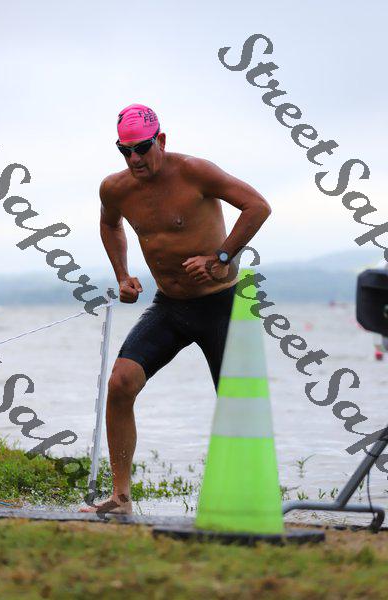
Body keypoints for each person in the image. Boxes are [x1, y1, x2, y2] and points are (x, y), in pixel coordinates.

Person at [79, 103, 271, 514]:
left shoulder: (196, 172)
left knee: (235, 404)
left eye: (142, 148)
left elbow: (258, 206)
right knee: (120, 384)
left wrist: (220, 257)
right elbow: (110, 224)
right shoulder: (115, 189)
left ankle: (247, 501)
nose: (134, 158)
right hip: (170, 305)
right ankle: (121, 498)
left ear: (161, 141)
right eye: (125, 150)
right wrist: (122, 275)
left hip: (222, 305)